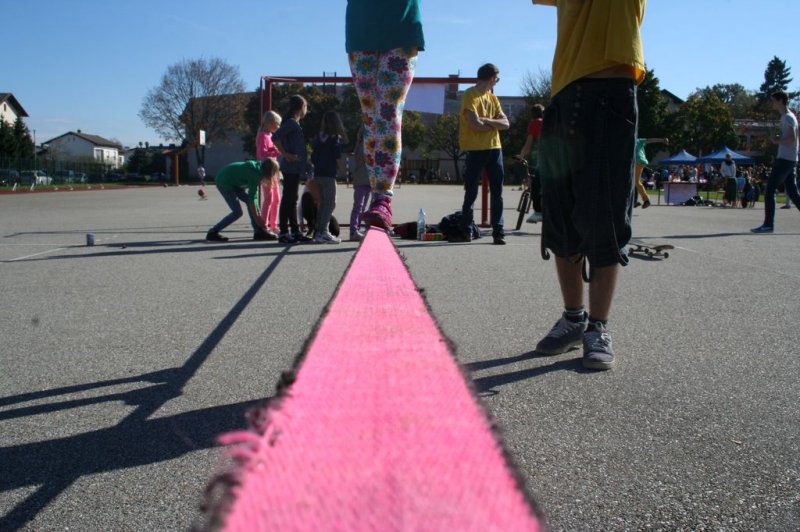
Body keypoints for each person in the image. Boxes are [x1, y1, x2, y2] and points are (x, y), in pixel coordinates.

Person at [531, 0, 646, 370]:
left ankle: (598, 326)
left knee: (606, 218)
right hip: (563, 97)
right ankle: (573, 318)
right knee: (560, 217)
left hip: (611, 91)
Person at [346, 0, 424, 231]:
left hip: (401, 30)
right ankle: (377, 193)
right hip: (360, 32)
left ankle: (382, 199)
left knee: (387, 113)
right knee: (371, 117)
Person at [458, 63, 510, 245]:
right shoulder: (469, 95)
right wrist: (493, 123)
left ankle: (498, 231)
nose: (497, 82)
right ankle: (466, 230)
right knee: (471, 190)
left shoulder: (493, 98)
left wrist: (487, 120)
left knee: (498, 191)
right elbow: (474, 124)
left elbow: (506, 124)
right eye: (497, 78)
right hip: (475, 149)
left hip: (495, 148)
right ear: (491, 78)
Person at [752, 91, 800, 232]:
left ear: (780, 101)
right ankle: (768, 224)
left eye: (773, 100)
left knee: (769, 190)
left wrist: (776, 140)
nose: (772, 103)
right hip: (790, 158)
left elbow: (792, 138)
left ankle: (768, 225)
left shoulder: (787, 117)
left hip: (785, 159)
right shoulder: (790, 117)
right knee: (793, 193)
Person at [206, 159, 278, 242]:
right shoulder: (255, 174)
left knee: (249, 202)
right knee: (237, 212)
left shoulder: (258, 170)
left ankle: (258, 232)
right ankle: (213, 232)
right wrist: (257, 219)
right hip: (224, 181)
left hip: (233, 181)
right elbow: (252, 198)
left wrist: (258, 217)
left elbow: (254, 198)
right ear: (269, 172)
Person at [273, 95, 310, 244]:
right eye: (306, 106)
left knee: (292, 199)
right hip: (290, 167)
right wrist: (286, 154)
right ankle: (284, 232)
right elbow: (275, 137)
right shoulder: (291, 123)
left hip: (294, 168)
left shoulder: (294, 124)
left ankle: (294, 231)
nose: (306, 109)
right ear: (301, 106)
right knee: (288, 199)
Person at [310, 110, 348, 244]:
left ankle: (318, 231)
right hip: (329, 175)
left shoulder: (318, 138)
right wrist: (343, 170)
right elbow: (337, 157)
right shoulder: (334, 138)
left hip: (318, 174)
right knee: (330, 203)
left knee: (322, 203)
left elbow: (313, 157)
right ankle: (323, 231)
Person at [256, 110, 282, 239]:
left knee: (277, 199)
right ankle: (264, 226)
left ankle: (273, 225)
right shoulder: (262, 136)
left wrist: (275, 150)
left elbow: (268, 151)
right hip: (266, 171)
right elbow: (262, 154)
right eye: (277, 124)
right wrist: (276, 152)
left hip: (273, 170)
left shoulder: (270, 135)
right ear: (270, 123)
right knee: (269, 198)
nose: (278, 127)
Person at [518, 104, 545, 223]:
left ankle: (539, 212)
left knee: (536, 186)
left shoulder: (534, 123)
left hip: (545, 158)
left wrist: (521, 156)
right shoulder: (550, 122)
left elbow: (528, 146)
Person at [349, 126, 371, 241]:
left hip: (366, 180)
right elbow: (368, 159)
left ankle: (356, 228)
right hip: (362, 179)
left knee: (361, 207)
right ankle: (353, 230)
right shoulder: (363, 145)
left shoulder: (366, 144)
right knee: (358, 206)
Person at [634, 137, 669, 208]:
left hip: (636, 161)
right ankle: (635, 201)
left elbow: (651, 140)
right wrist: (662, 140)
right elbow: (651, 140)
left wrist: (662, 140)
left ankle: (645, 200)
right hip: (641, 162)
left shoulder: (634, 140)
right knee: (635, 182)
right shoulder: (639, 141)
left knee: (635, 182)